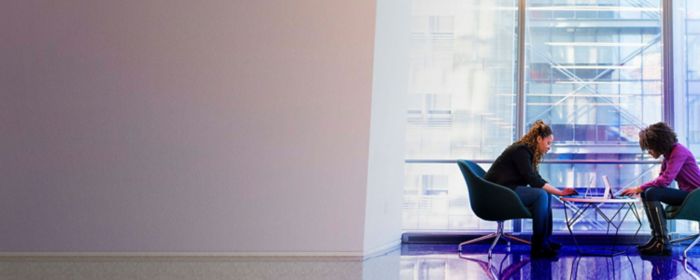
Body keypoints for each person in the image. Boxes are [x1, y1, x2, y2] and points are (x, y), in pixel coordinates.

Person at [485, 120, 577, 258]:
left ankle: (545, 241)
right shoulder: (521, 150)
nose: (549, 147)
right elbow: (533, 181)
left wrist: (558, 192)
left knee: (545, 193)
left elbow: (535, 178)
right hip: (496, 192)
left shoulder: (528, 151)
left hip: (506, 189)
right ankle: (538, 246)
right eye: (548, 143)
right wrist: (560, 193)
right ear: (539, 139)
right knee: (541, 195)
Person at [620, 122, 700, 255]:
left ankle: (663, 242)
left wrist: (638, 188)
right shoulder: (668, 155)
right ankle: (657, 239)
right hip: (689, 195)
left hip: (696, 197)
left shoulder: (679, 152)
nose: (649, 152)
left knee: (651, 192)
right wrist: (641, 190)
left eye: (650, 148)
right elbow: (661, 180)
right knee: (648, 192)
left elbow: (665, 180)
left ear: (659, 144)